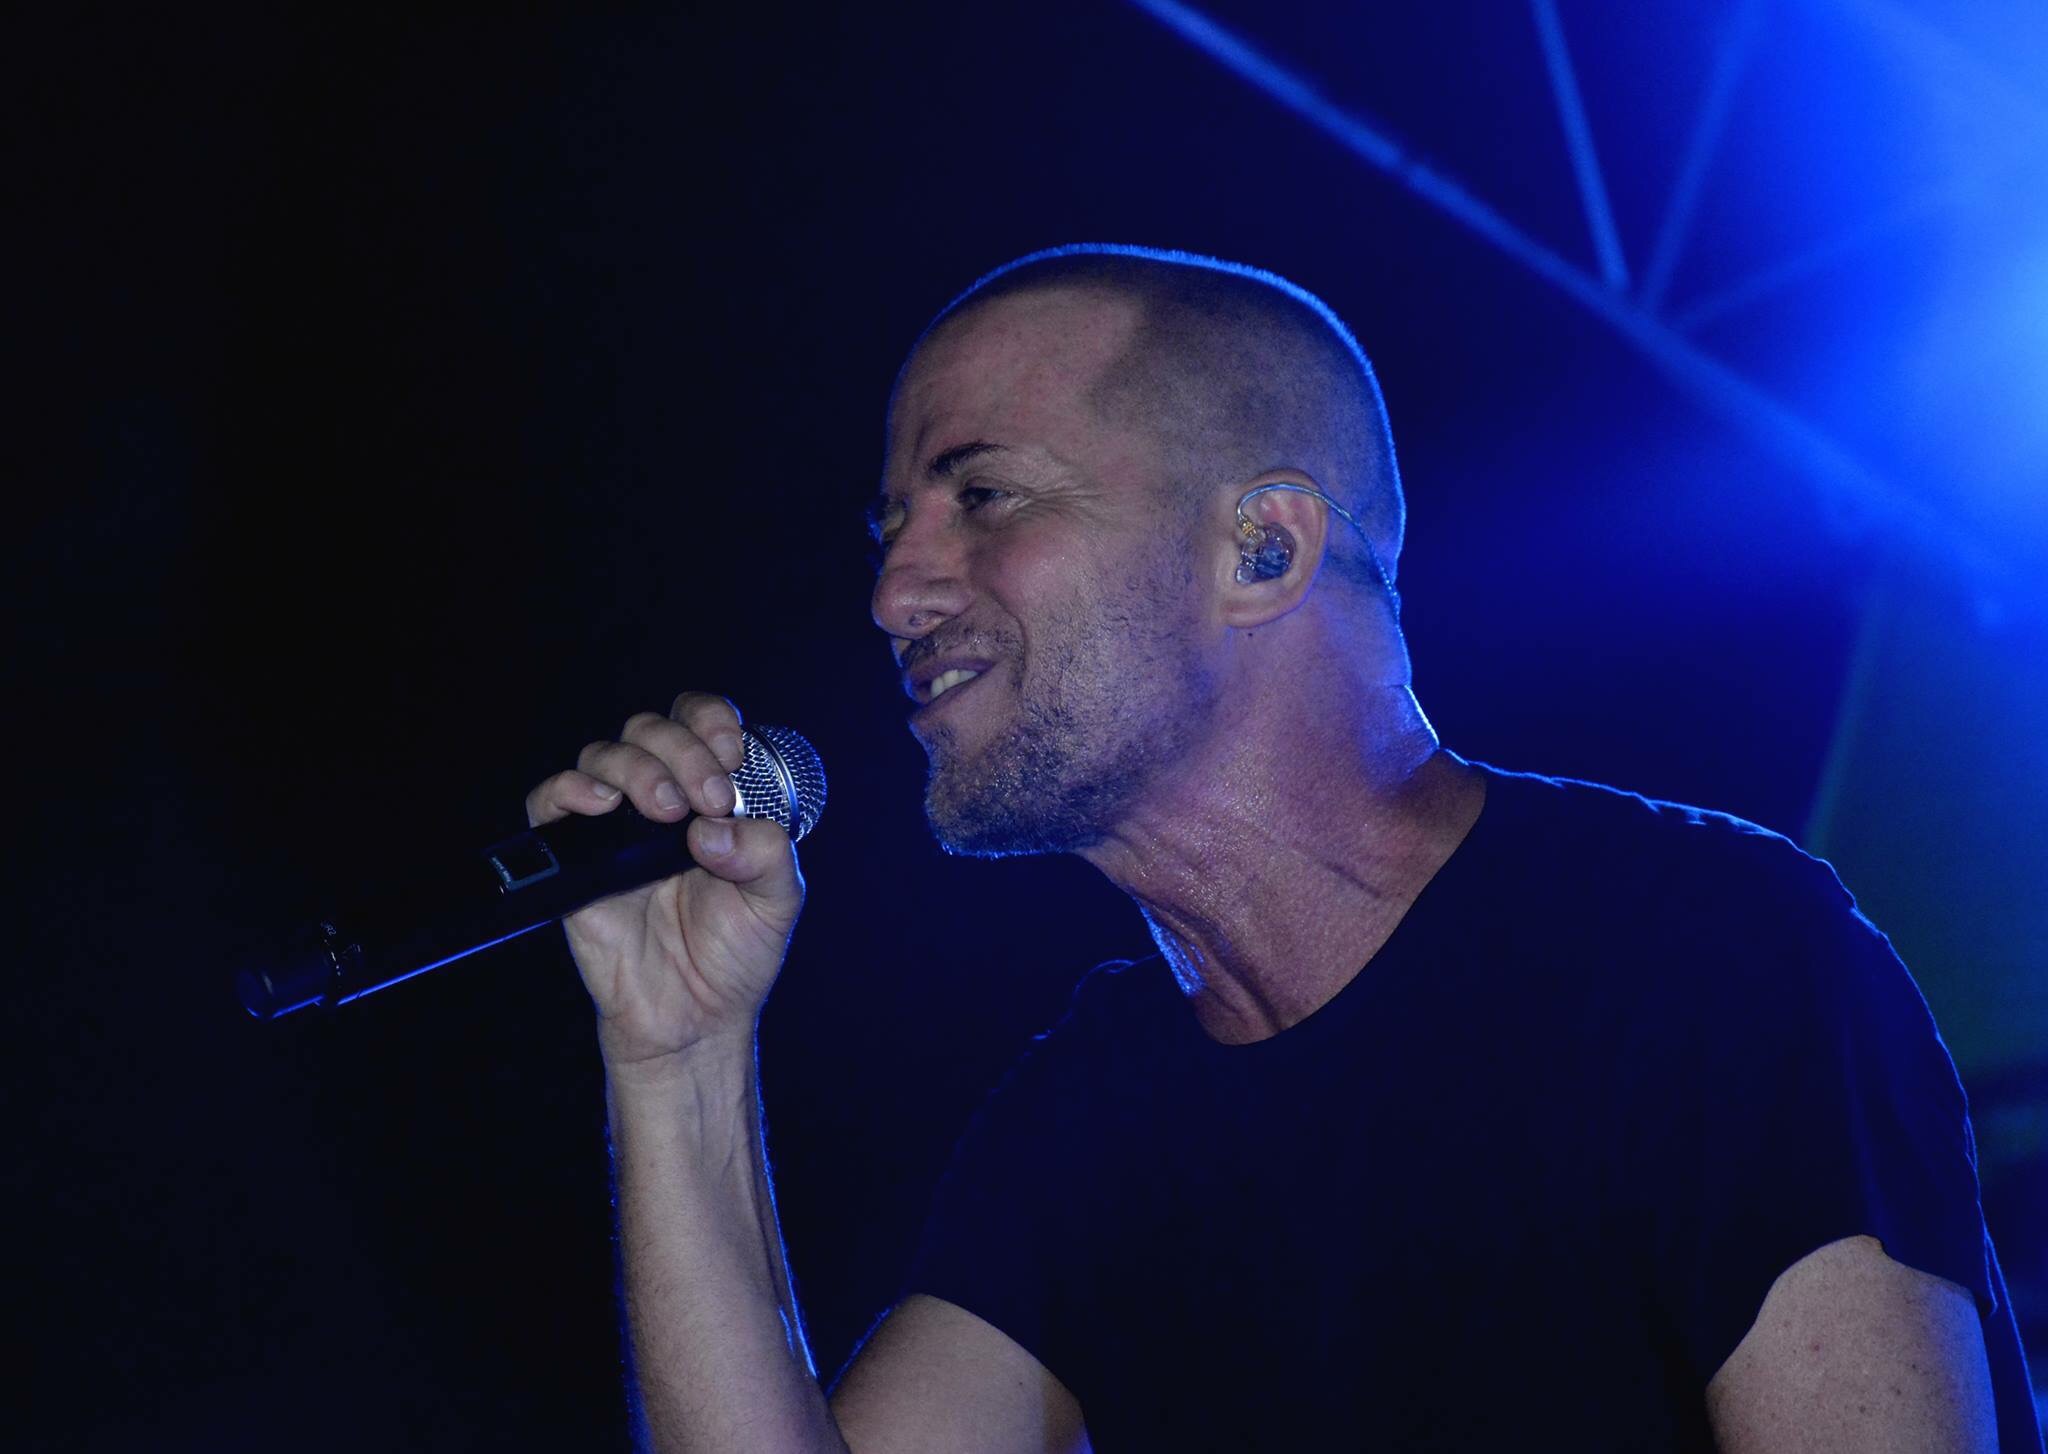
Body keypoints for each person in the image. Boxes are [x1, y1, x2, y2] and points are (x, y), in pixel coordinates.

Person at [524, 244, 2041, 1451]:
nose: (896, 591)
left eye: (981, 496)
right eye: (890, 529)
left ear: (1264, 547)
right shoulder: (1092, 1121)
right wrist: (678, 1059)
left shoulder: (1705, 956)